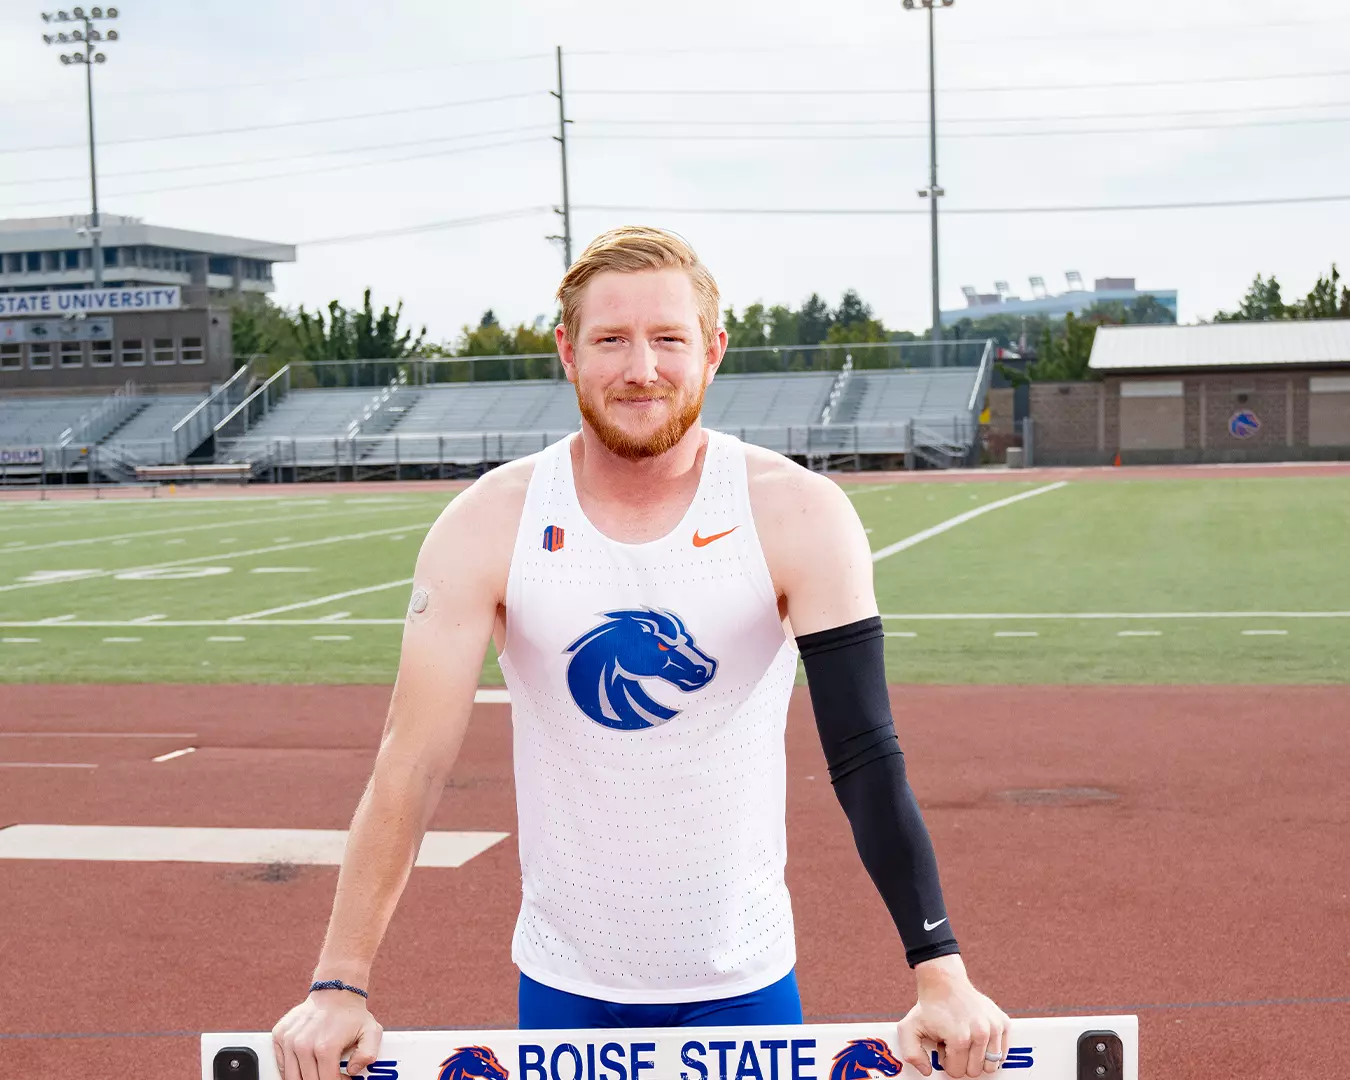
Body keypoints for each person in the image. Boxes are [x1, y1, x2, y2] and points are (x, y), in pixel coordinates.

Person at [272, 227, 1010, 1080]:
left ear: (713, 351)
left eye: (668, 339)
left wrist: (940, 969)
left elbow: (863, 753)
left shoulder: (798, 514)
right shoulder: (488, 523)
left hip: (744, 979)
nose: (641, 368)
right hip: (565, 983)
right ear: (568, 352)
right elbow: (413, 762)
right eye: (611, 339)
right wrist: (339, 981)